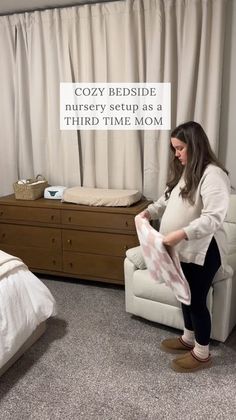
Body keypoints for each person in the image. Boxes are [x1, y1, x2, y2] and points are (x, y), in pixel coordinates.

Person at [143, 121, 230, 373]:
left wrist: (180, 233)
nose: (177, 154)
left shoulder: (214, 175)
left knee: (196, 300)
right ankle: (188, 338)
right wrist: (148, 212)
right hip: (181, 248)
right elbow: (167, 200)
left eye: (180, 148)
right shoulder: (187, 171)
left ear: (195, 145)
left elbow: (213, 217)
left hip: (205, 249)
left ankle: (202, 353)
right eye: (174, 149)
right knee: (184, 293)